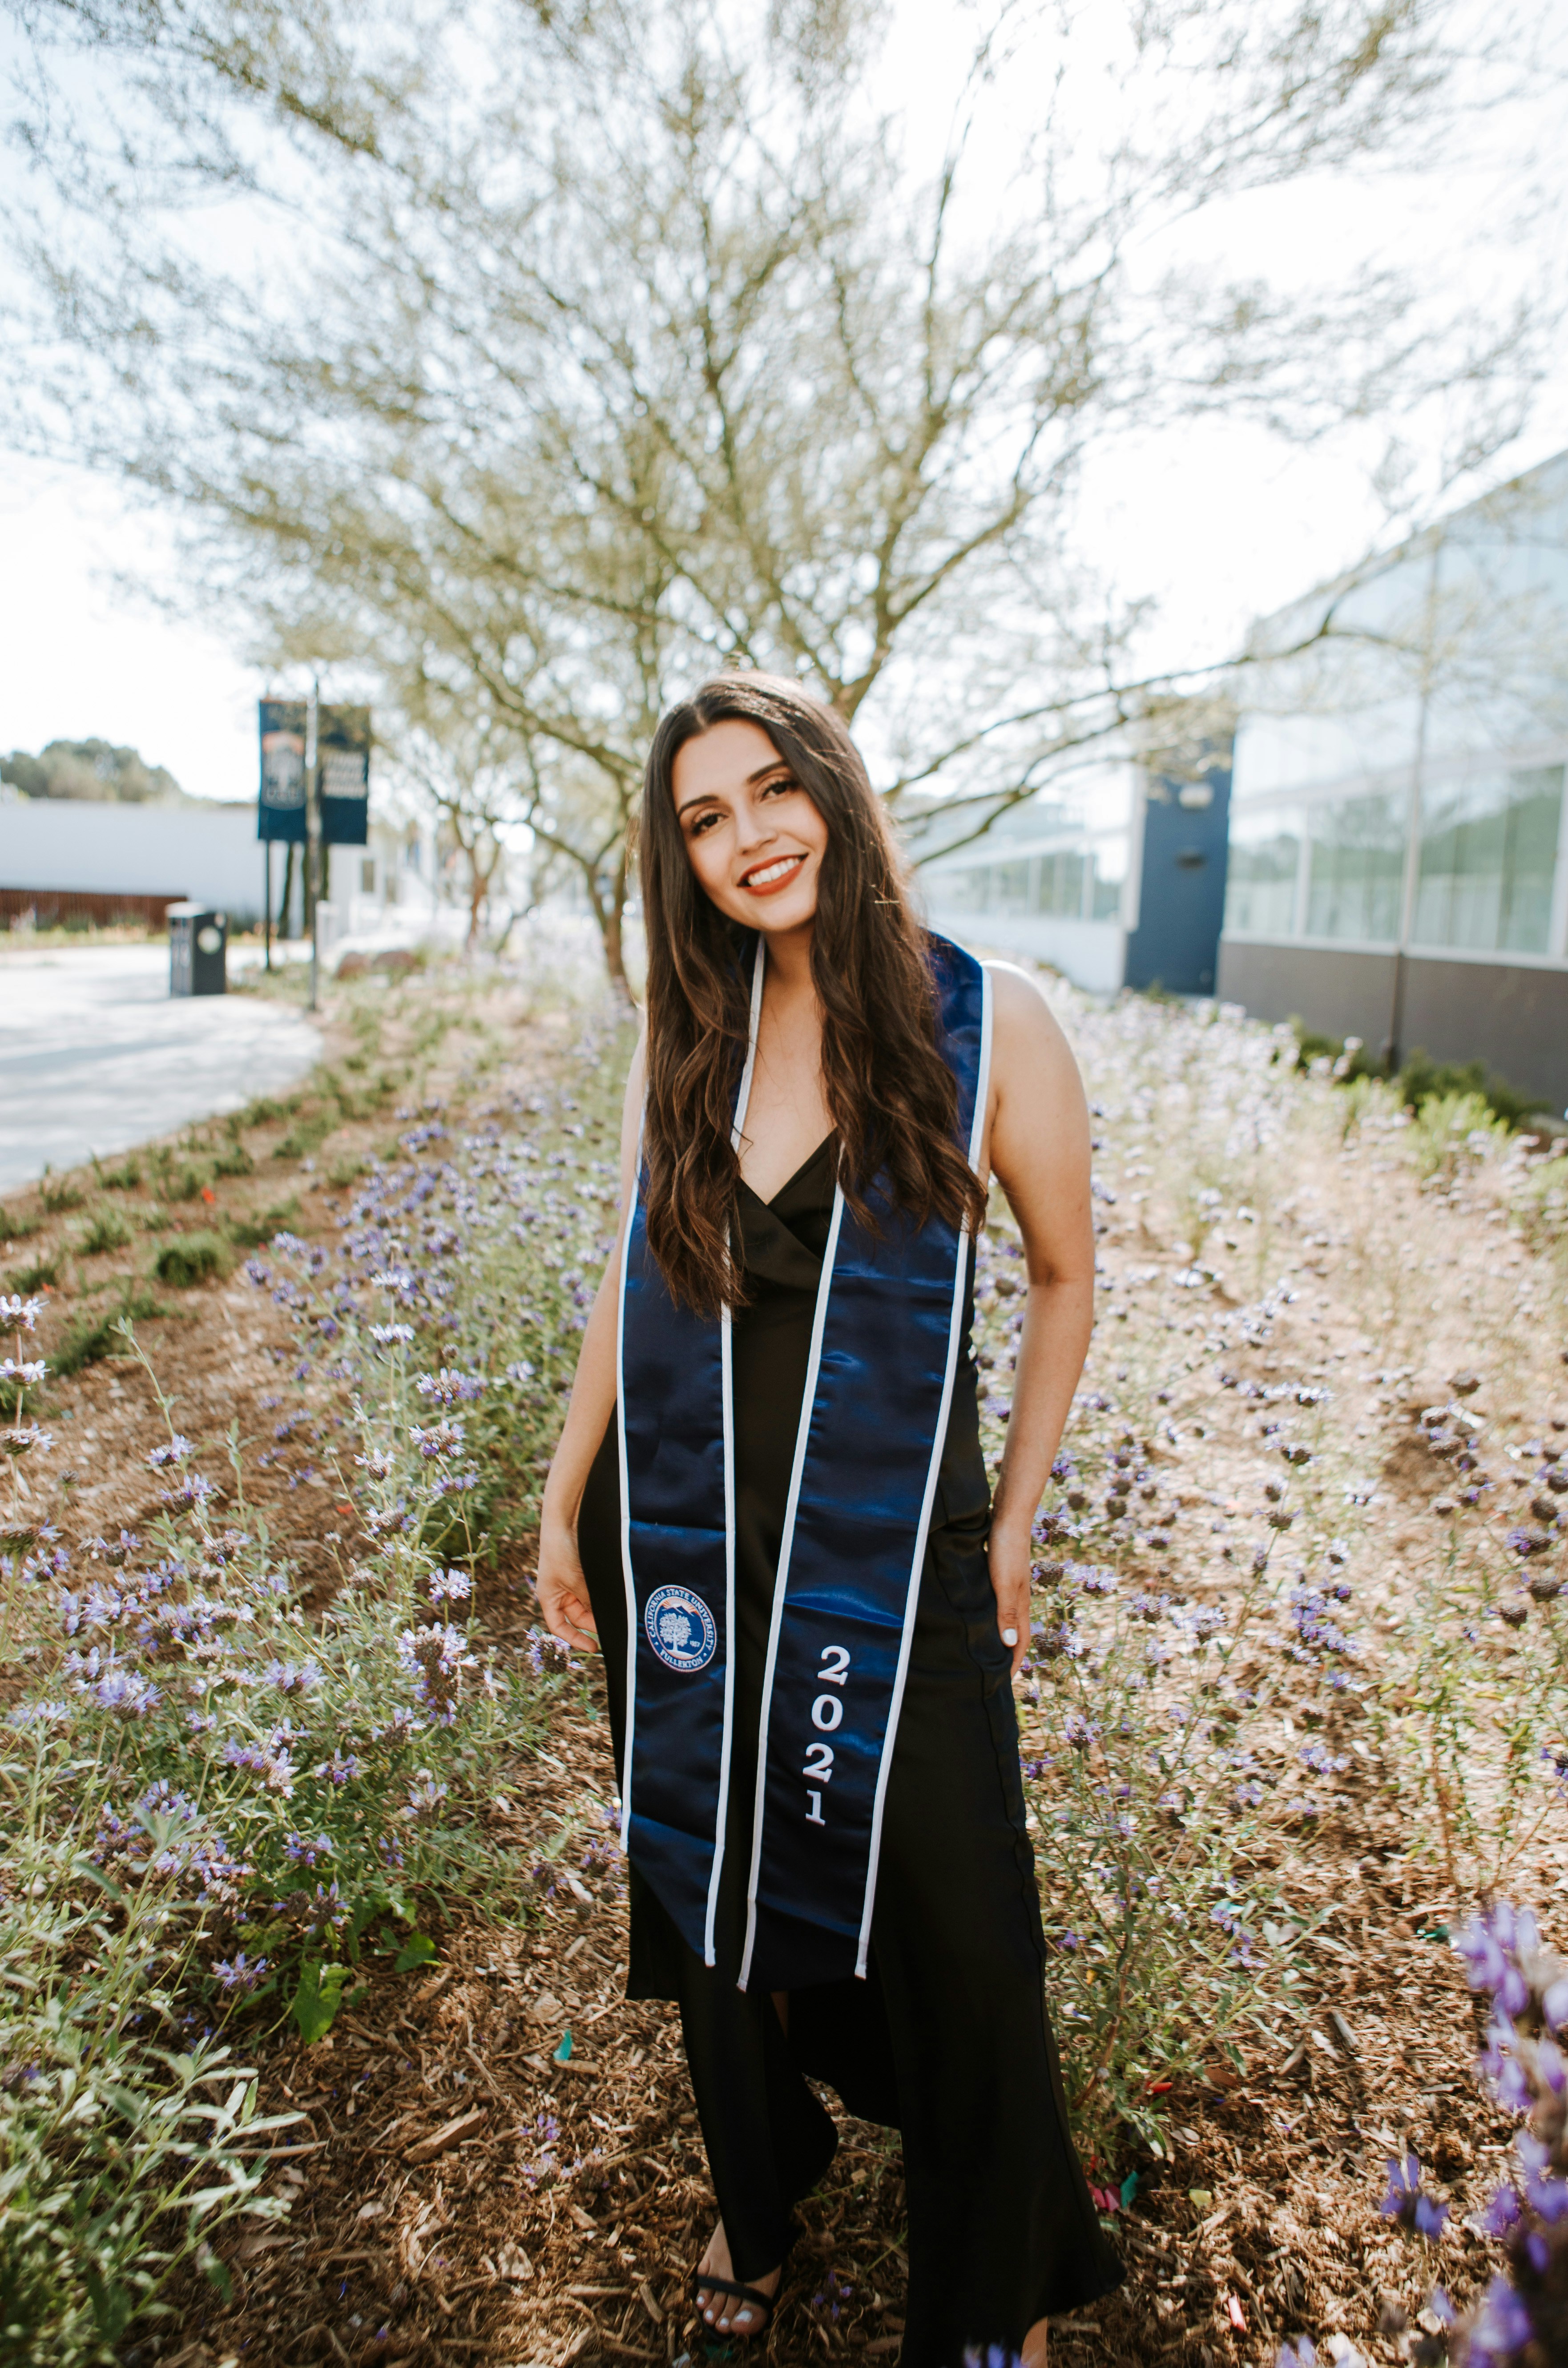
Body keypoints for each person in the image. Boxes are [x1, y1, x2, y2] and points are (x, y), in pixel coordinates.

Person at [536, 674, 1121, 2368]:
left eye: (771, 790)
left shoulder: (989, 1023)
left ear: (838, 795)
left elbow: (1069, 1279)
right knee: (712, 1885)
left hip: (893, 1554)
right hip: (695, 1538)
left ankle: (986, 2277)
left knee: (964, 1922)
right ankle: (761, 2189)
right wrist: (566, 1494)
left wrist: (1012, 1523)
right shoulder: (697, 1031)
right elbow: (638, 1269)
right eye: (703, 820)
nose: (746, 839)